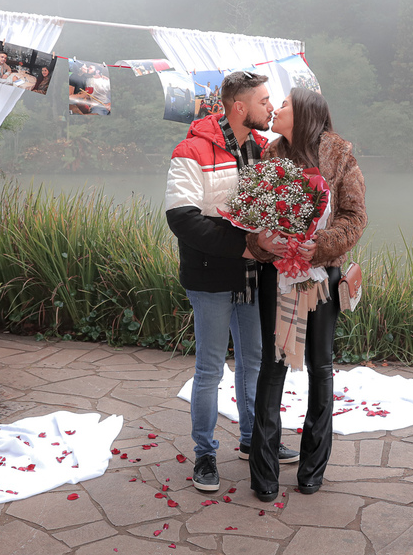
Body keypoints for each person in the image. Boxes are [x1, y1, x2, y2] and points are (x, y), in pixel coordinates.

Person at [165, 71, 299, 492]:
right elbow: (181, 218)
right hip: (211, 276)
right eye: (263, 101)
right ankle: (204, 453)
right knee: (209, 368)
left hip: (253, 276)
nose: (270, 108)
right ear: (239, 107)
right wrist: (242, 247)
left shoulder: (263, 150)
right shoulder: (191, 148)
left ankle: (250, 439)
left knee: (254, 361)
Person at [247, 87, 367, 502]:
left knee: (321, 367)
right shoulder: (270, 155)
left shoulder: (340, 156)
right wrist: (266, 242)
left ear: (304, 115)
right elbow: (254, 217)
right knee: (273, 365)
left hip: (322, 276)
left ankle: (312, 467)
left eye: (283, 104)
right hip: (276, 275)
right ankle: (263, 472)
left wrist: (322, 244)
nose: (275, 109)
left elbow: (355, 217)